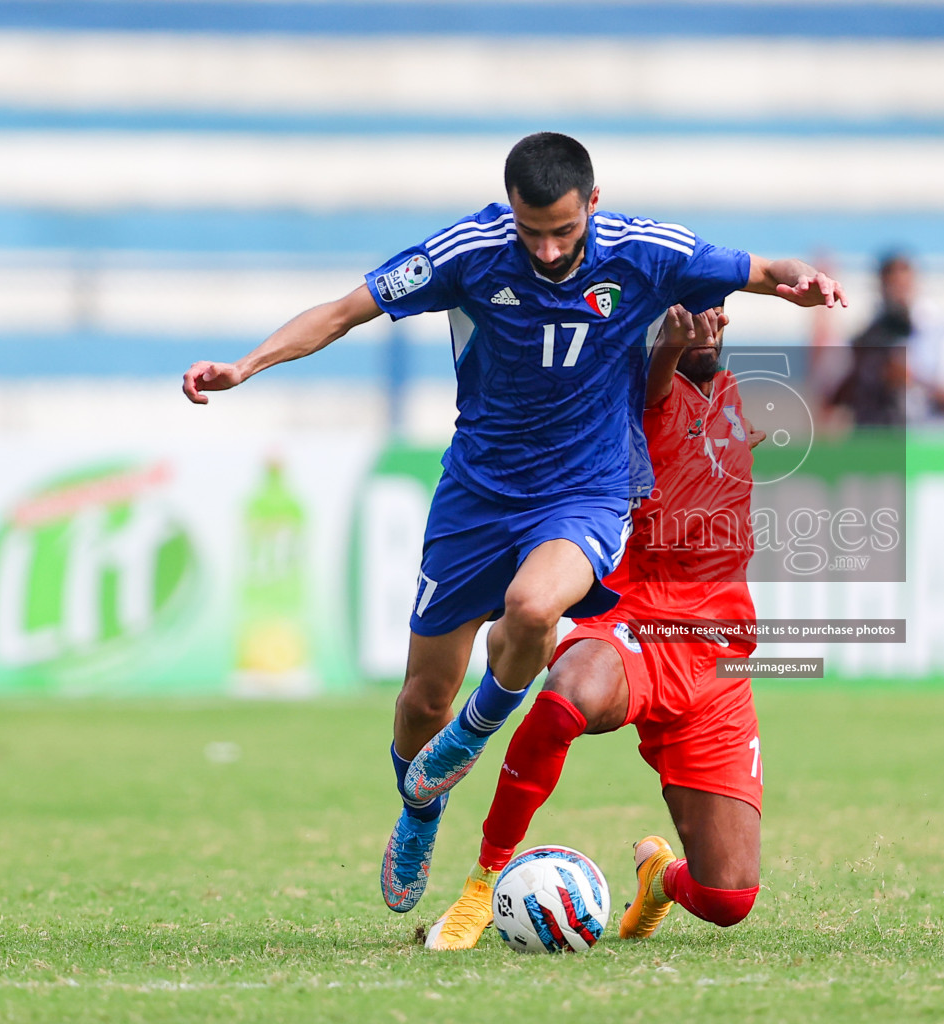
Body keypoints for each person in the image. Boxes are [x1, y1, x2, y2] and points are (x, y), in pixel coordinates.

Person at [180, 133, 845, 914]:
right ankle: (421, 806)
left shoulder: (644, 251)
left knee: (534, 608)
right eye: (533, 233)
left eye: (564, 231)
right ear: (512, 213)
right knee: (423, 700)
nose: (549, 249)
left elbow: (762, 270)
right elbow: (343, 310)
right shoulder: (470, 250)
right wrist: (246, 367)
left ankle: (473, 733)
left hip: (587, 491)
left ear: (592, 205)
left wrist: (802, 283)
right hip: (479, 490)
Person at [421, 304, 767, 950]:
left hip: (717, 660)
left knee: (728, 897)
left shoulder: (733, 395)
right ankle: (482, 880)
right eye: (691, 311)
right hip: (635, 621)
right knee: (564, 699)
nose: (708, 323)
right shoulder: (638, 387)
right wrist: (666, 348)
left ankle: (660, 876)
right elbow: (658, 383)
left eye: (716, 310)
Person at [878, 252, 944, 428]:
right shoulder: (871, 334)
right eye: (890, 287)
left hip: (932, 444)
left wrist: (912, 380)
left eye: (901, 286)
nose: (896, 295)